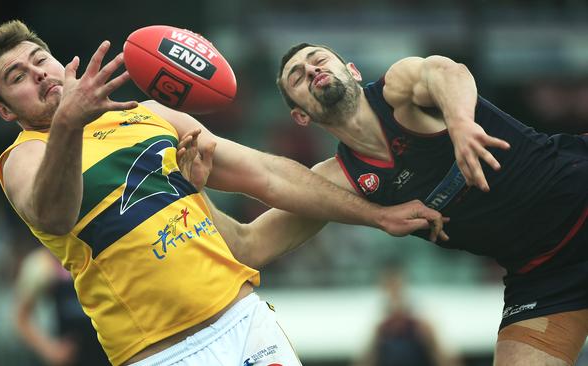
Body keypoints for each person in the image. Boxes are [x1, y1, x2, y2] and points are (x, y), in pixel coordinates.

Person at [0, 21, 447, 366]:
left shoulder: (149, 113)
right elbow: (54, 215)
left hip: (244, 320)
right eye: (17, 78)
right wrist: (69, 124)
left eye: (39, 60)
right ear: (5, 110)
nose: (38, 75)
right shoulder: (23, 159)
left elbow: (267, 174)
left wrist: (376, 215)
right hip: (163, 351)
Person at [215, 43, 586, 365]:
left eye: (319, 59)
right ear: (300, 115)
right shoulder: (336, 183)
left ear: (353, 71)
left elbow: (446, 70)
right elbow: (250, 245)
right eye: (297, 76)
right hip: (542, 276)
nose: (312, 69)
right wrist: (185, 187)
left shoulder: (399, 91)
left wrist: (459, 124)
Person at [14, 247, 109, 366]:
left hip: (108, 350)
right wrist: (50, 350)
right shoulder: (41, 266)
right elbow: (22, 317)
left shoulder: (95, 250)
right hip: (72, 356)